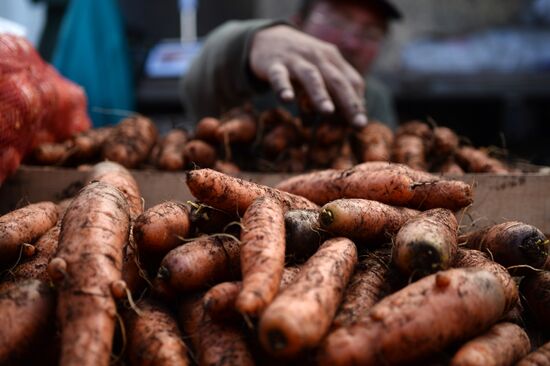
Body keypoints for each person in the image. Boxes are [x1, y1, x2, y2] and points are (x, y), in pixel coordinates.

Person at [181, 0, 401, 129]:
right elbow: (196, 82)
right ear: (298, 23)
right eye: (338, 21)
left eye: (371, 33)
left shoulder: (375, 98)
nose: (352, 42)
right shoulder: (254, 78)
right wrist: (251, 42)